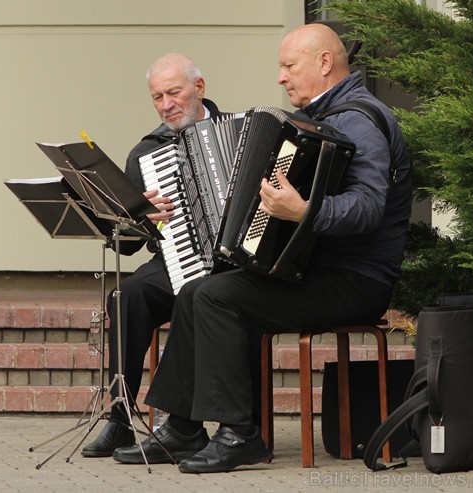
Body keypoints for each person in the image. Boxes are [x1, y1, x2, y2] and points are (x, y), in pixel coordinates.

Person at [112, 23, 413, 473]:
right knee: (199, 288)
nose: (281, 77)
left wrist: (302, 211)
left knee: (215, 297)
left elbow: (367, 208)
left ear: (324, 63)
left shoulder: (358, 119)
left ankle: (240, 434)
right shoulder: (320, 118)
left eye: (289, 66)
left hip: (355, 281)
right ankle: (184, 427)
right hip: (315, 271)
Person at [81, 53, 224, 457]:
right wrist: (136, 215)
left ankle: (181, 425)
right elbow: (125, 244)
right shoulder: (146, 152)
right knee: (127, 296)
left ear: (199, 88)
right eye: (157, 97)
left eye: (174, 92)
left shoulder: (240, 131)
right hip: (174, 258)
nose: (166, 104)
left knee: (197, 300)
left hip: (229, 264)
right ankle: (120, 419)